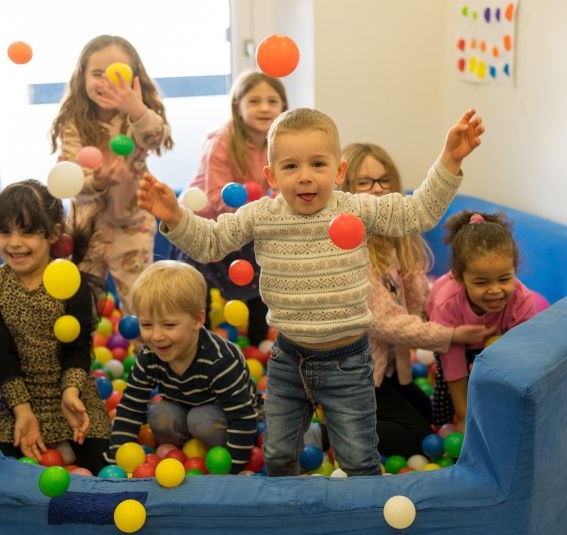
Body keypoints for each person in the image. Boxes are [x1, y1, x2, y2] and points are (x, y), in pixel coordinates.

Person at [137, 107, 485, 476]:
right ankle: (288, 507)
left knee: (359, 459)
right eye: (291, 166)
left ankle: (360, 509)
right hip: (289, 358)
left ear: (339, 171)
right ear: (272, 176)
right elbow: (211, 242)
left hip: (348, 362)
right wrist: (175, 217)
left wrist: (450, 161)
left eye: (318, 164)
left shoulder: (356, 208)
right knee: (277, 454)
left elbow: (417, 213)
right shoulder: (262, 215)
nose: (305, 176)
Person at [340, 143, 493, 457]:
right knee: (417, 439)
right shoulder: (349, 251)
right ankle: (332, 430)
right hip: (351, 377)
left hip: (386, 370)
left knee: (432, 418)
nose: (378, 190)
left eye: (384, 180)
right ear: (345, 191)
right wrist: (450, 335)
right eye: (365, 182)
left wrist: (461, 307)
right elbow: (385, 322)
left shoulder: (394, 239)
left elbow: (422, 300)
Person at [0, 180, 110, 473]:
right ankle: (57, 450)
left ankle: (67, 452)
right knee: (6, 468)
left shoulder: (71, 283)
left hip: (70, 393)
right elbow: (0, 354)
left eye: (27, 232)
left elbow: (78, 348)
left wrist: (71, 393)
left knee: (102, 465)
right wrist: (22, 410)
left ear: (53, 234)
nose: (14, 242)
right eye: (5, 232)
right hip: (20, 397)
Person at [49, 35, 172, 313]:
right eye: (97, 74)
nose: (106, 82)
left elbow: (156, 137)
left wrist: (137, 110)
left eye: (118, 75)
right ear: (82, 77)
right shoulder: (74, 123)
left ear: (135, 80)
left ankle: (145, 340)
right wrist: (97, 181)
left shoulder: (136, 118)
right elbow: (68, 178)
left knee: (140, 301)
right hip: (86, 227)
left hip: (133, 225)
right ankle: (84, 340)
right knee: (81, 303)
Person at [106, 260, 259, 473]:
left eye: (169, 325)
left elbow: (242, 417)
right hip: (183, 408)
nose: (157, 336)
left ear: (197, 319)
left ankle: (213, 451)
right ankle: (181, 452)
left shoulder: (219, 360)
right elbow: (131, 406)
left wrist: (231, 469)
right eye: (147, 324)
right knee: (161, 415)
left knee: (200, 419)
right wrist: (115, 462)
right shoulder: (150, 355)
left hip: (225, 415)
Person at [175, 71, 288, 345]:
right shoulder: (222, 140)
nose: (264, 108)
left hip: (242, 222)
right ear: (238, 106)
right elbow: (216, 195)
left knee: (262, 272)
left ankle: (260, 342)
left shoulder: (279, 143)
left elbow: (279, 184)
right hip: (202, 223)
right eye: (255, 101)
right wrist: (255, 212)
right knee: (195, 285)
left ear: (283, 106)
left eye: (272, 101)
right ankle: (199, 341)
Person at [425, 210, 540, 432]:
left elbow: (522, 356)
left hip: (493, 345)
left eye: (504, 279)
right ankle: (439, 423)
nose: (495, 290)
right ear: (459, 277)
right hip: (451, 339)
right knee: (445, 392)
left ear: (514, 270)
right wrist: (462, 416)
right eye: (481, 282)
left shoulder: (521, 299)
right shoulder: (447, 303)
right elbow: (453, 365)